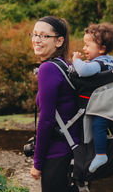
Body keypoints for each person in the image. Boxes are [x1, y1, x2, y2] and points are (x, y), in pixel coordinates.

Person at [30, 16, 79, 192]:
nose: (36, 40)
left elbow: (46, 120)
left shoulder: (48, 69)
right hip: (73, 149)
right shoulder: (66, 65)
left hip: (57, 153)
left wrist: (37, 162)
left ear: (59, 41)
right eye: (34, 35)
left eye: (43, 36)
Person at [72, 22, 113, 173]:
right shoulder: (110, 62)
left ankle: (101, 154)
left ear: (102, 49)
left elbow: (84, 71)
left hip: (102, 107)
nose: (84, 49)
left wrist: (76, 60)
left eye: (87, 45)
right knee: (100, 127)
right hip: (109, 104)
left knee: (98, 125)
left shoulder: (100, 63)